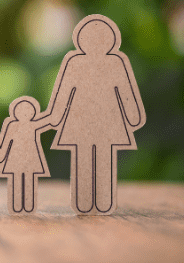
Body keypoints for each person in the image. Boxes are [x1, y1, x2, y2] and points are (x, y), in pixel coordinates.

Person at [43, 14, 146, 214]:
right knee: (84, 158)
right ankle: (85, 200)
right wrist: (55, 116)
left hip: (107, 119)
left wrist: (133, 115)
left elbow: (125, 90)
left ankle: (103, 199)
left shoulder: (116, 62)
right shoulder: (75, 62)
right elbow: (65, 90)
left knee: (104, 158)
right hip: (81, 120)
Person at [0, 97, 52, 213]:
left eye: (28, 111)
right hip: (15, 157)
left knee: (29, 179)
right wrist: (1, 156)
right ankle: (17, 205)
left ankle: (28, 204)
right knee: (16, 180)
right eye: (22, 111)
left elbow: (50, 120)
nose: (25, 114)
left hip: (30, 156)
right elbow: (6, 141)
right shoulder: (12, 125)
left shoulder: (34, 124)